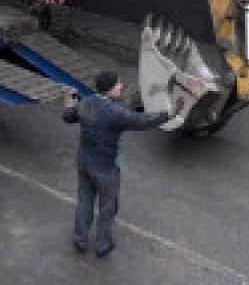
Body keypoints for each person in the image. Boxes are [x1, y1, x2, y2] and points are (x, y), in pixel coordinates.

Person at [63, 72, 181, 257]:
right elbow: (142, 121)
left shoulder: (86, 103)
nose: (122, 86)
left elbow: (68, 116)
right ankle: (103, 244)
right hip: (106, 169)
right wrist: (170, 113)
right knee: (108, 206)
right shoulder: (115, 113)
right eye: (118, 85)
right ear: (109, 89)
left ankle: (80, 239)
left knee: (85, 201)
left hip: (84, 163)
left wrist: (69, 100)